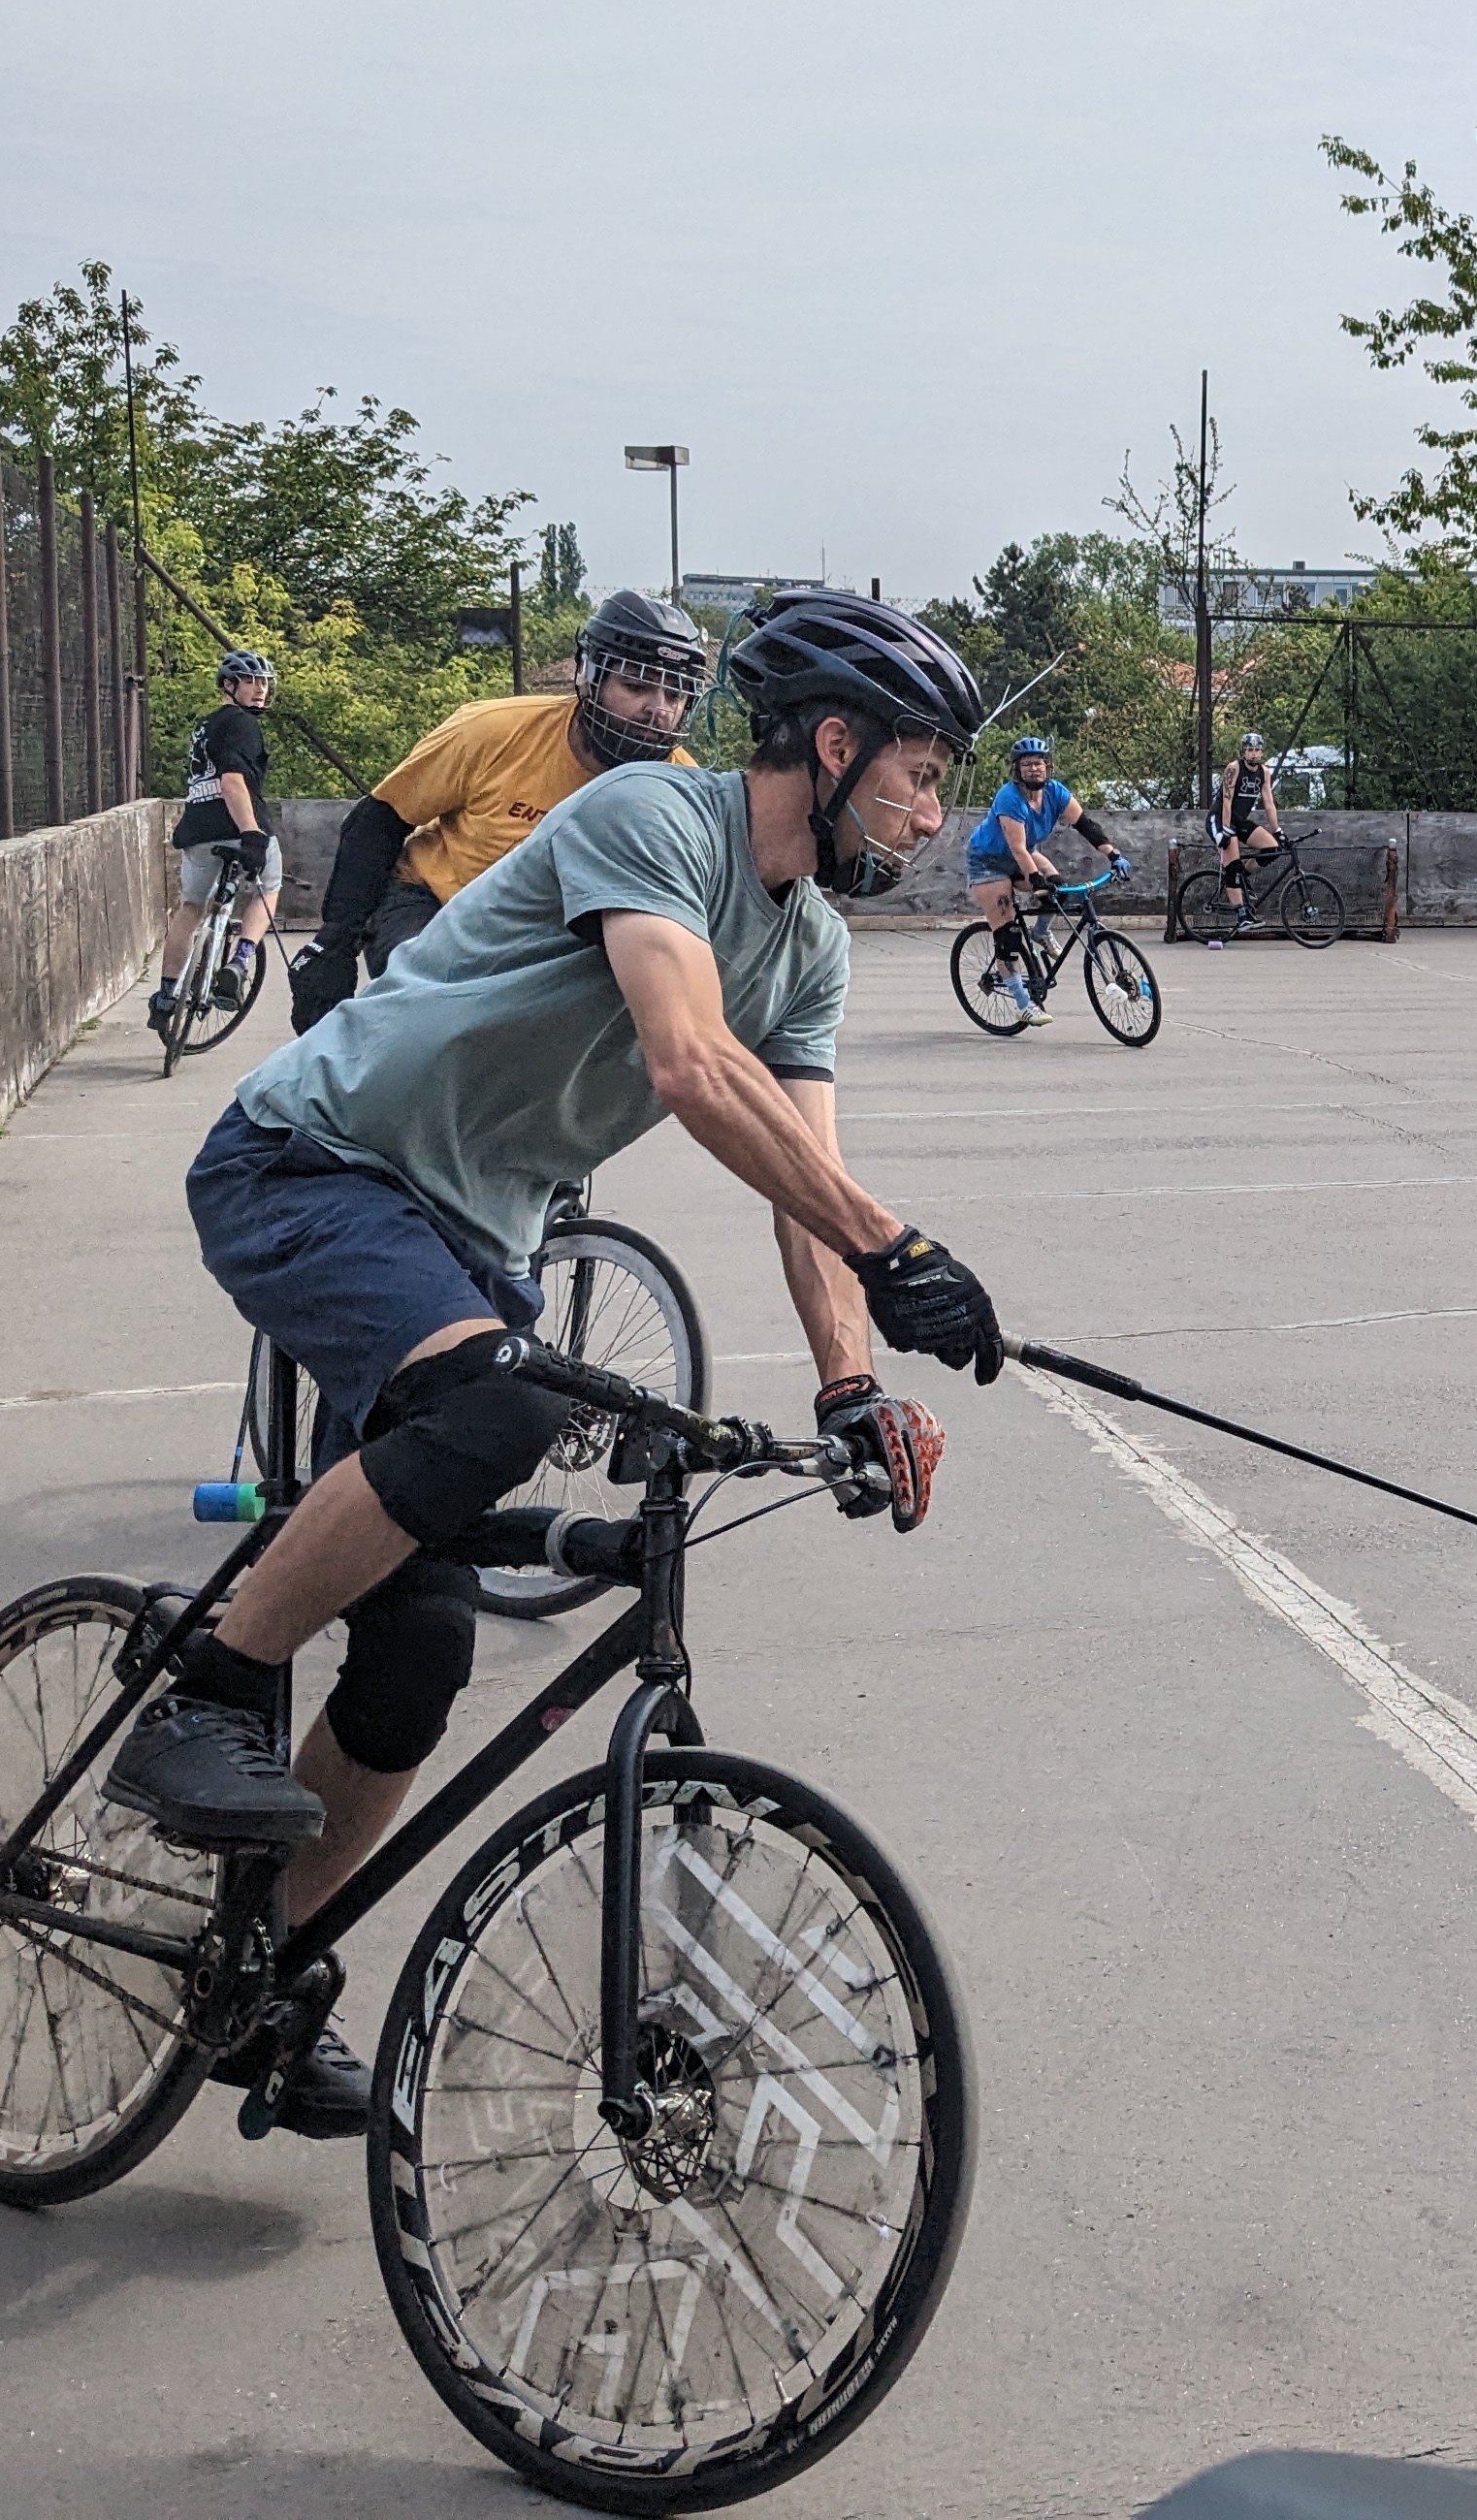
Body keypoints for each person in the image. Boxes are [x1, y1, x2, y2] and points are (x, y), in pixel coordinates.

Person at [105, 588, 1005, 2137]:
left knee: (418, 1656)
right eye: (922, 776)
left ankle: (249, 1974)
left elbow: (800, 1166)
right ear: (838, 745)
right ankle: (204, 1685)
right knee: (505, 1401)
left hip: (470, 1234)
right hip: (313, 1162)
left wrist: (853, 1383)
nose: (936, 814)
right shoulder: (659, 815)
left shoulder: (813, 951)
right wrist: (896, 1244)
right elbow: (686, 1062)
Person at [286, 590, 710, 1033]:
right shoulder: (493, 732)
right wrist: (334, 944)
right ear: (590, 677)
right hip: (436, 904)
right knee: (437, 1019)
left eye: (675, 694)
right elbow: (378, 820)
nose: (657, 710)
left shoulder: (681, 789)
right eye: (636, 686)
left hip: (550, 939)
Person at [155, 650, 282, 1028]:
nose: (259, 690)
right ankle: (240, 961)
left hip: (197, 829)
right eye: (250, 681)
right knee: (270, 886)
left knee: (191, 908)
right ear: (230, 685)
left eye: (263, 682)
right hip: (236, 824)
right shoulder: (242, 724)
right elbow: (232, 782)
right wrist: (251, 833)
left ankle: (165, 996)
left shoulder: (204, 726)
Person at [963, 730, 1115, 1023]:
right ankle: (1023, 1004)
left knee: (1057, 887)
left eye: (1039, 763)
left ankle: (1041, 932)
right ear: (1017, 769)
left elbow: (1085, 824)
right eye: (1027, 763)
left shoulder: (1056, 792)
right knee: (1007, 935)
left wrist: (1113, 854)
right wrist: (1034, 881)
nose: (1034, 768)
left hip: (1022, 855)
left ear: (1048, 767)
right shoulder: (1009, 797)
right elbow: (1018, 848)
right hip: (988, 862)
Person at [1207, 730, 1282, 947]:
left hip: (1240, 820)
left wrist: (1277, 830)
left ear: (1262, 751)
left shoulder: (1264, 772)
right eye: (1250, 749)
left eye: (1257, 749)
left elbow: (1269, 803)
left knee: (1272, 849)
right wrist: (1227, 830)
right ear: (1244, 751)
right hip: (1220, 819)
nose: (1253, 753)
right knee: (1232, 865)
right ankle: (1241, 916)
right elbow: (1227, 801)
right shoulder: (1234, 768)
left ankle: (1244, 875)